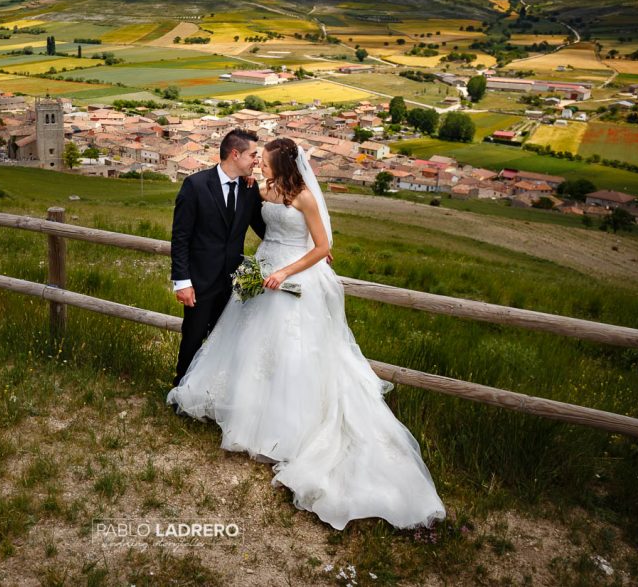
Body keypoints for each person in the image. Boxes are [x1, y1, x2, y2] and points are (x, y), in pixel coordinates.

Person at [167, 137, 446, 531]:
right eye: (254, 158)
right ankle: (221, 405)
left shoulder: (304, 197)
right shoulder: (260, 189)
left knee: (291, 351)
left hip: (289, 277)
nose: (257, 164)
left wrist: (303, 258)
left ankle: (285, 427)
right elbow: (262, 223)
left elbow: (319, 244)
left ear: (280, 163)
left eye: (262, 160)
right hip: (263, 273)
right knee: (248, 347)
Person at [170, 129, 266, 388]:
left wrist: (305, 246)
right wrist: (182, 282)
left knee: (227, 341)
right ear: (235, 154)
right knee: (193, 338)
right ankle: (181, 391)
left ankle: (213, 392)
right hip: (200, 282)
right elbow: (180, 237)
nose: (256, 161)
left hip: (234, 283)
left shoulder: (249, 187)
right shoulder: (196, 185)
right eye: (253, 155)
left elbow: (264, 228)